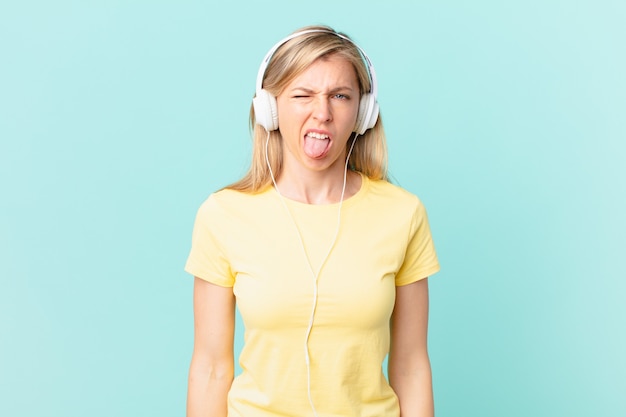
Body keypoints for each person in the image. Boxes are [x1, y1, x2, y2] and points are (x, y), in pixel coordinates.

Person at [185, 25, 440, 417]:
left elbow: (410, 366)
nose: (322, 113)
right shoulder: (223, 215)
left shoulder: (402, 213)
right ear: (270, 109)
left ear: (363, 112)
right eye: (302, 95)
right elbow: (211, 368)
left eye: (340, 96)